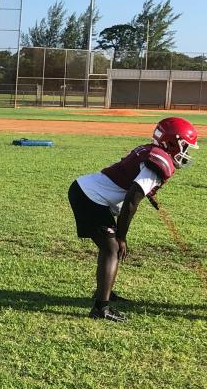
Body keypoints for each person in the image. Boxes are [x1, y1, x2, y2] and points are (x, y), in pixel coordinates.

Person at [68, 116, 199, 322]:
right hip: (89, 198)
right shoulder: (159, 161)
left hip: (88, 192)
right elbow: (131, 200)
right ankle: (101, 308)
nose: (186, 152)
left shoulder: (150, 150)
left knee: (110, 248)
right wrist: (121, 236)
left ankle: (104, 292)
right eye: (185, 146)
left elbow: (131, 179)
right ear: (172, 142)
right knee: (112, 248)